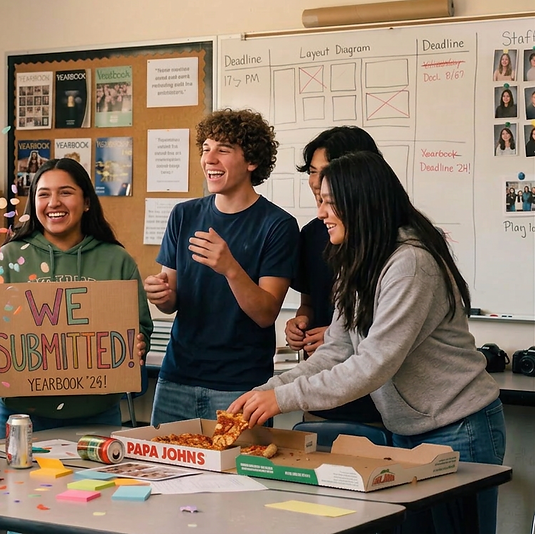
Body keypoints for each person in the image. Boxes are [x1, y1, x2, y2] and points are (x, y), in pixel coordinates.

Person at [230, 151, 505, 534]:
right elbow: (337, 351)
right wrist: (267, 391)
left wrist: (284, 400)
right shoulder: (358, 260)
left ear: (360, 203)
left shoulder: (410, 263)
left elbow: (374, 364)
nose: (321, 213)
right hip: (408, 431)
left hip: (458, 428)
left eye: (329, 203)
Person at [0, 157, 152, 439]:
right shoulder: (8, 259)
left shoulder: (117, 260)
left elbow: (140, 325)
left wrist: (138, 343)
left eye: (65, 192)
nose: (54, 202)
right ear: (33, 204)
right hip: (20, 416)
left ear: (87, 201)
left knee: (95, 485)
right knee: (15, 485)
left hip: (98, 414)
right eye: (44, 194)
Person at [143, 108, 298, 425]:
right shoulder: (183, 215)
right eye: (205, 149)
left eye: (223, 150)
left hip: (241, 387)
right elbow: (171, 299)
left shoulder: (278, 225)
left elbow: (266, 313)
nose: (209, 159)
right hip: (176, 377)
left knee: (237, 473)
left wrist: (230, 267)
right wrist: (161, 294)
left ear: (251, 161)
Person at [284, 126, 383, 425]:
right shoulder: (317, 234)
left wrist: (332, 337)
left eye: (325, 172)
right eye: (312, 172)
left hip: (375, 404)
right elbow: (312, 306)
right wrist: (301, 324)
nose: (316, 183)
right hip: (321, 396)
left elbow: (377, 353)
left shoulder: (396, 252)